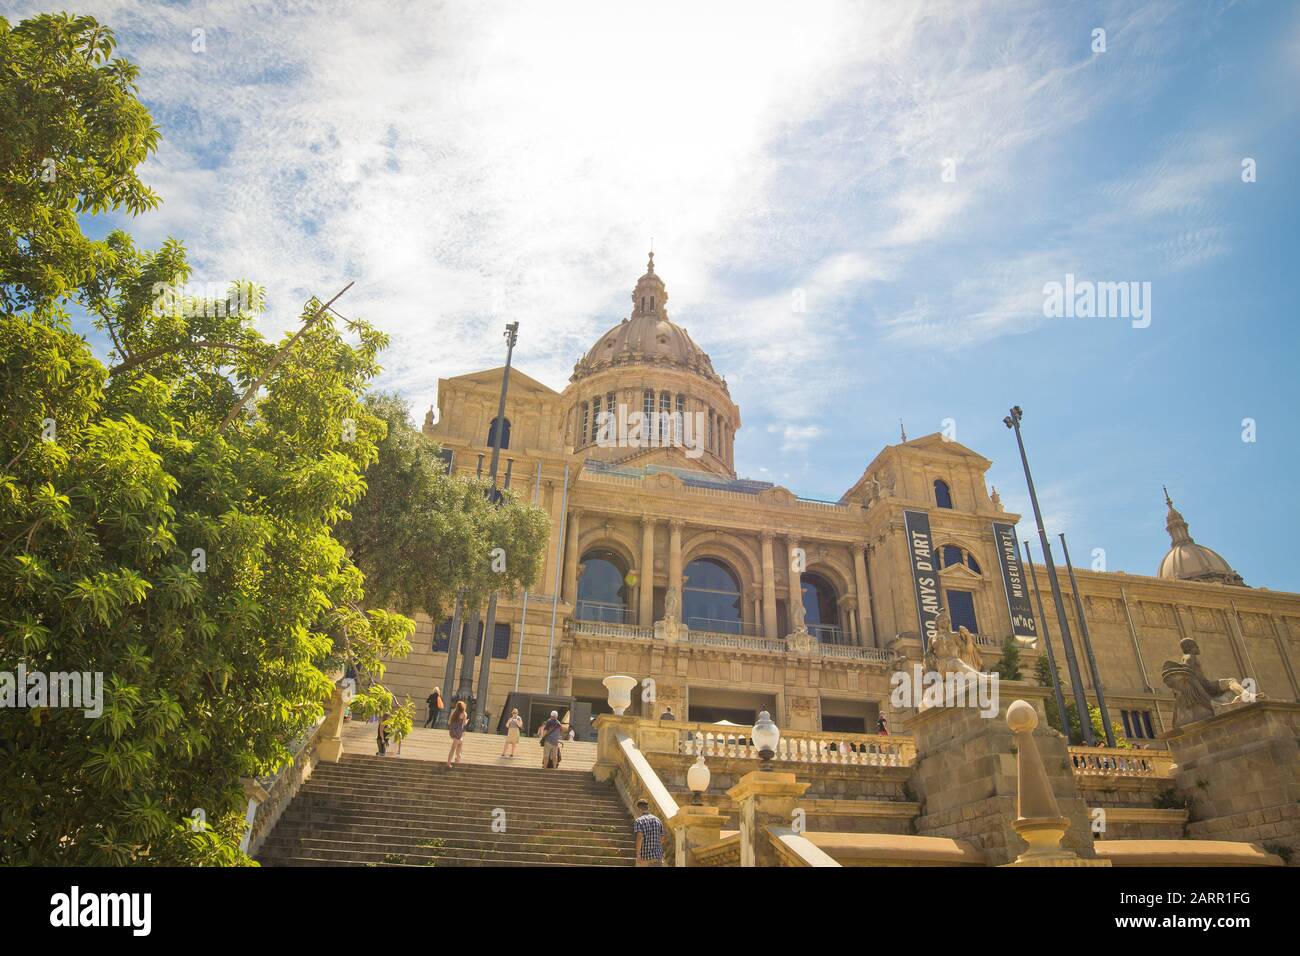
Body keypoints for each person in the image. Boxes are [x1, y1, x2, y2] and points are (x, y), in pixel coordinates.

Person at [632, 799, 665, 867]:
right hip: (657, 856)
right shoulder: (657, 820)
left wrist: (638, 854)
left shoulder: (639, 821)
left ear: (639, 809)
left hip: (645, 857)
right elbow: (662, 838)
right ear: (648, 808)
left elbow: (640, 837)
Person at [446, 700, 468, 769]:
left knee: (461, 743)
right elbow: (464, 724)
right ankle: (449, 763)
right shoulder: (464, 714)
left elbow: (449, 722)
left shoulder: (453, 712)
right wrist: (466, 721)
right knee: (453, 748)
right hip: (458, 732)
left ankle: (458, 758)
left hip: (452, 732)